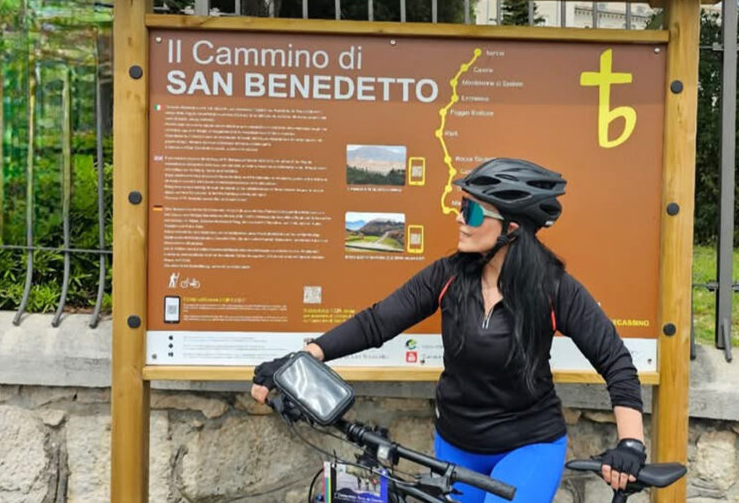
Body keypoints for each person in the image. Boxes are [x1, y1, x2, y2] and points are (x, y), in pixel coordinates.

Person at [251, 158, 647, 502]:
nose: (459, 218)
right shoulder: (448, 277)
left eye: (472, 212)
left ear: (511, 229)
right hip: (456, 443)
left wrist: (631, 442)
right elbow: (377, 322)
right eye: (462, 207)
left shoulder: (554, 289)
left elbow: (615, 361)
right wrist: (304, 358)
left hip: (529, 446)